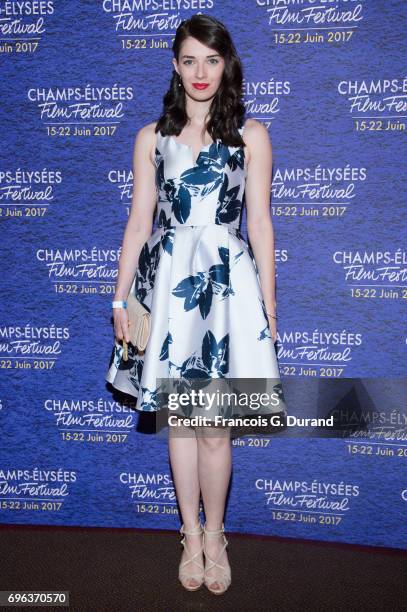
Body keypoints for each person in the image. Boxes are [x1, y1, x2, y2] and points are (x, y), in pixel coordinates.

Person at [105, 13, 286, 595]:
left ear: (226, 64)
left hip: (228, 290)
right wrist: (120, 297)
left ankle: (217, 537)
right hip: (168, 289)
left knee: (215, 431)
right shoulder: (152, 137)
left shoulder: (250, 135)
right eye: (189, 60)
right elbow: (138, 223)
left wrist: (270, 307)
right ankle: (189, 533)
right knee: (181, 425)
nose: (201, 72)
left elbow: (260, 223)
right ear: (175, 65)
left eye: (211, 60)